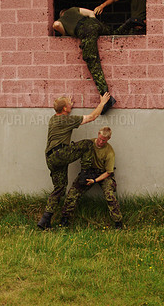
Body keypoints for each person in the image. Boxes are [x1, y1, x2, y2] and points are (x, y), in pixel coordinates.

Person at [37, 92, 110, 230]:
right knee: (88, 144)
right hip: (61, 154)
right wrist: (102, 103)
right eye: (69, 104)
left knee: (59, 189)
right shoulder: (66, 121)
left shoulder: (54, 119)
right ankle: (85, 173)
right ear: (65, 109)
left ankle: (45, 220)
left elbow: (64, 116)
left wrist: (66, 104)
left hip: (51, 159)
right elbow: (92, 117)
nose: (71, 104)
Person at [53, 7, 116, 114]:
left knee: (92, 61)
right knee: (113, 32)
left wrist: (62, 29)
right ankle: (130, 25)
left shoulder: (62, 20)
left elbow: (56, 25)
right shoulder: (74, 9)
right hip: (95, 23)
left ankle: (106, 97)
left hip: (85, 31)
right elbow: (91, 13)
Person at [60, 126, 123, 229]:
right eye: (100, 138)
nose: (101, 142)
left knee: (109, 195)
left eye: (104, 140)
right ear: (98, 134)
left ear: (108, 139)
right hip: (88, 172)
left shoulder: (109, 152)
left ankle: (118, 221)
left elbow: (109, 172)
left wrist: (94, 181)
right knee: (73, 192)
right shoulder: (89, 144)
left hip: (103, 174)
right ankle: (65, 219)